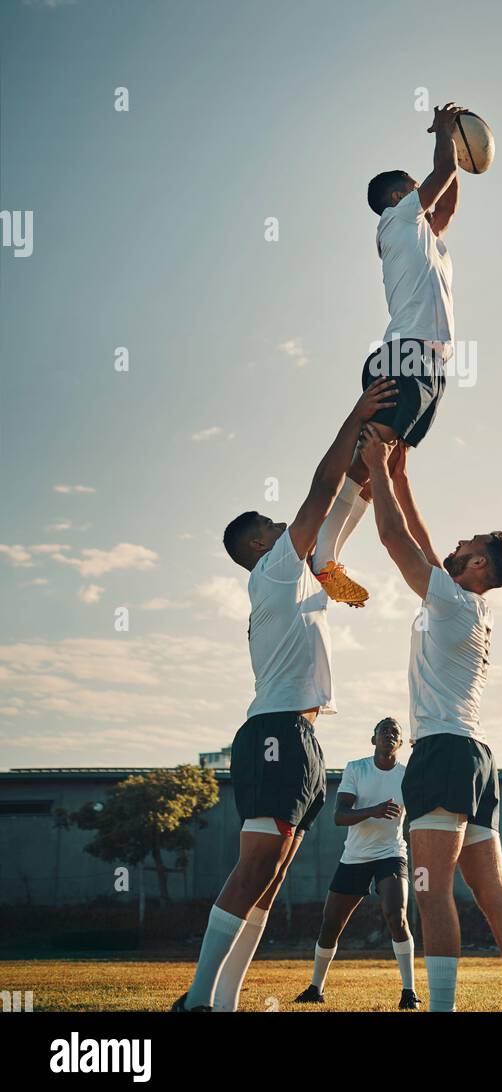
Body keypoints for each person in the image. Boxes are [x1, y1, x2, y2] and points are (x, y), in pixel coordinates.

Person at [171, 378, 397, 1012]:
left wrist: (374, 463)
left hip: (294, 734)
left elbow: (338, 516)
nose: (285, 527)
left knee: (268, 882)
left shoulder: (296, 583)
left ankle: (223, 1003)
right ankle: (195, 1001)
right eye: (273, 525)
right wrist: (356, 413)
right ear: (257, 546)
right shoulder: (273, 572)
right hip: (274, 733)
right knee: (253, 871)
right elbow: (320, 495)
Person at [359, 429, 502, 1013]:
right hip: (477, 758)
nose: (457, 541)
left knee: (429, 890)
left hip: (442, 753)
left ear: (479, 562)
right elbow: (419, 538)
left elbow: (394, 538)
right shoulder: (466, 602)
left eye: (469, 541)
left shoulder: (451, 600)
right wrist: (399, 477)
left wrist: (373, 466)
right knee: (492, 892)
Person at [312, 102, 466, 602]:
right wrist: (445, 133)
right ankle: (323, 554)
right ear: (400, 195)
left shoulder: (424, 235)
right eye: (412, 183)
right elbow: (440, 175)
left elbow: (445, 199)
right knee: (372, 455)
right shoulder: (398, 220)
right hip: (404, 356)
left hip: (430, 365)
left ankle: (327, 553)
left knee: (385, 468)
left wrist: (459, 153)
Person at [296, 716, 420, 1010]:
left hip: (391, 854)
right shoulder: (356, 768)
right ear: (373, 739)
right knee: (331, 924)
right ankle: (315, 988)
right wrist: (374, 811)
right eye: (383, 730)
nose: (389, 734)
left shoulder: (408, 775)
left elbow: (417, 818)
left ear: (400, 743)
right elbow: (340, 816)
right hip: (355, 857)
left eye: (395, 732)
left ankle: (409, 991)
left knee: (396, 915)